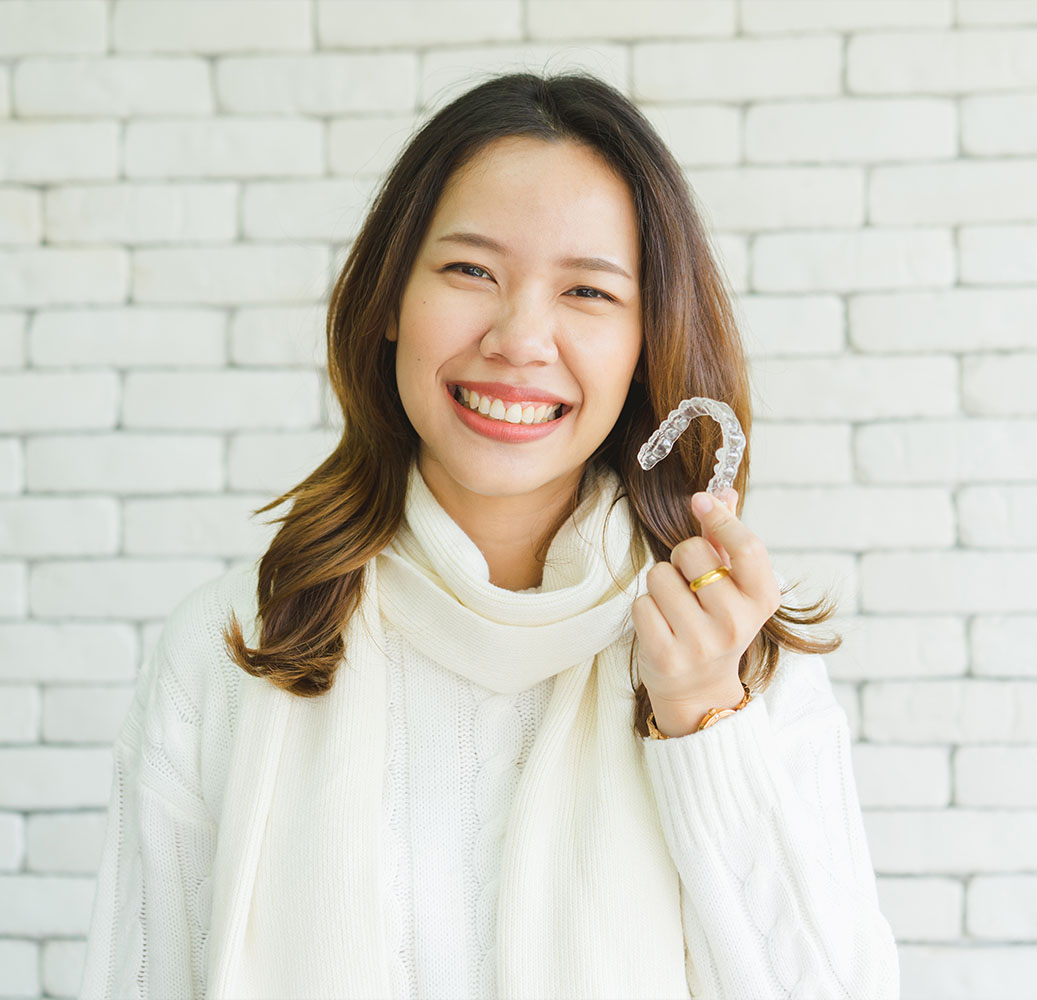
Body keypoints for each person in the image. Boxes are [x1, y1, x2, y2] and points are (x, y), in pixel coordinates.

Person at [80, 71, 899, 999]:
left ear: (643, 343)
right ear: (389, 300)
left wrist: (703, 718)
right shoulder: (231, 647)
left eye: (588, 292)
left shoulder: (740, 653)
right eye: (470, 271)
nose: (520, 337)